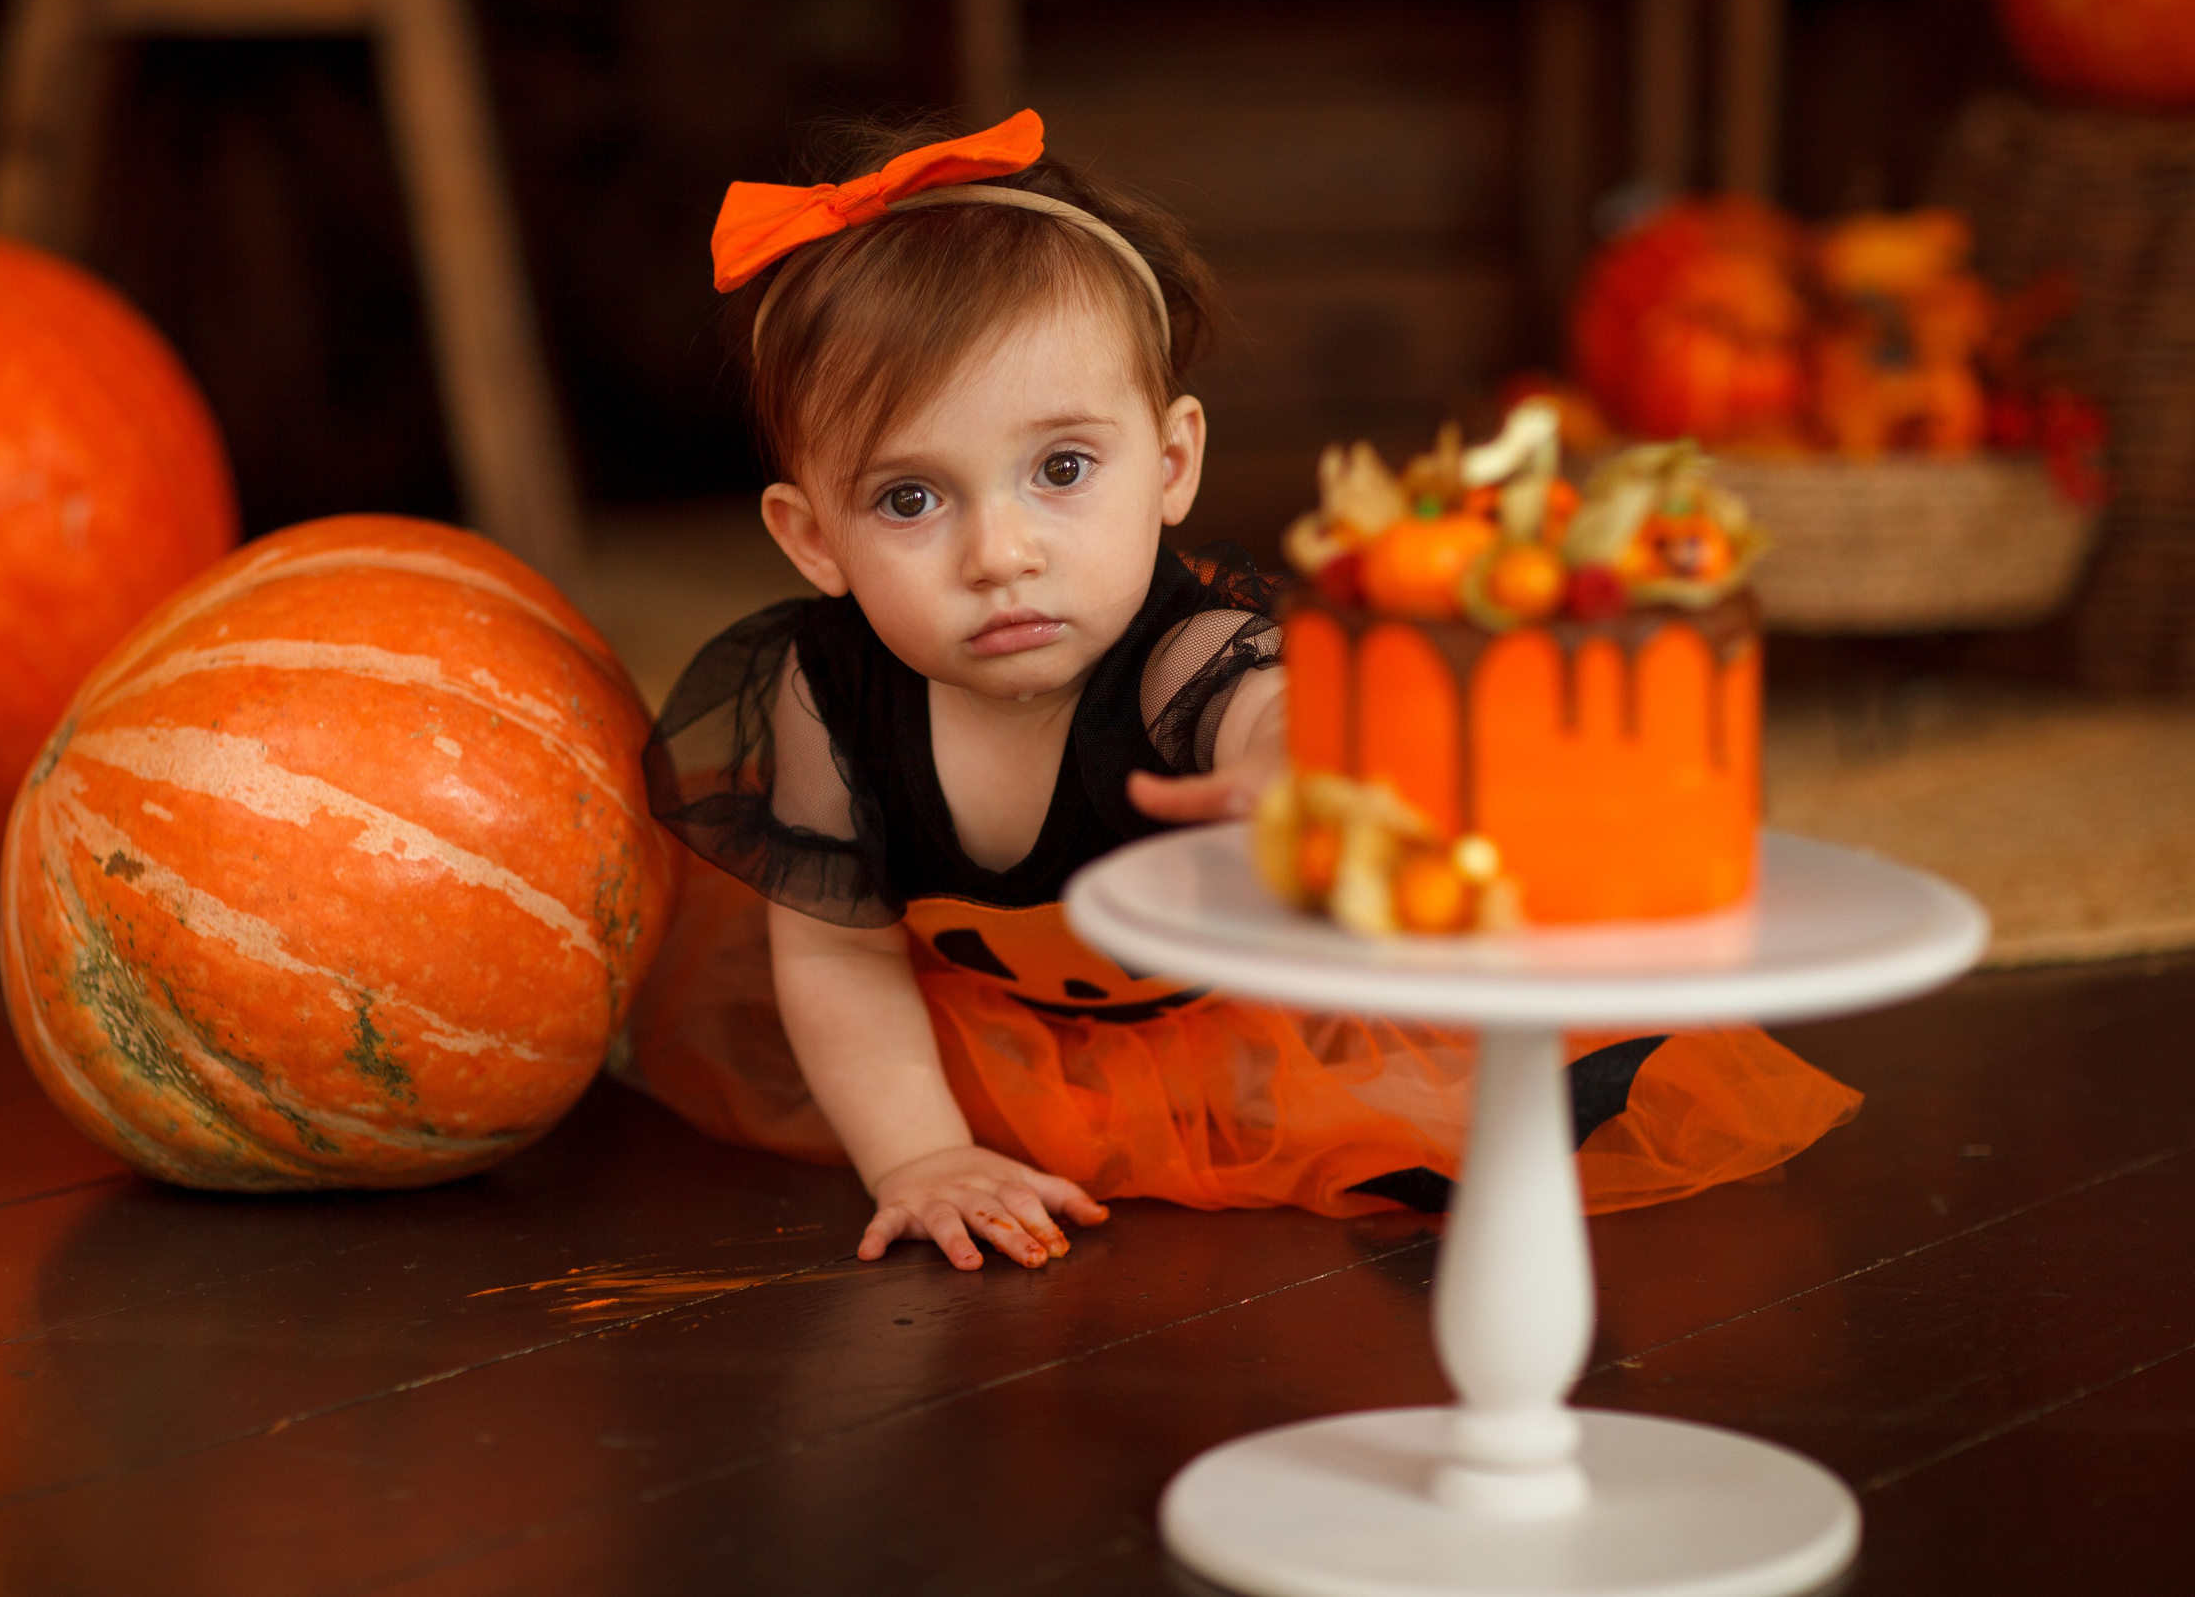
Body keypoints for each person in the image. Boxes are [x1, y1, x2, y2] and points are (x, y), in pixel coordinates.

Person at [618, 110, 1859, 1270]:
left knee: (1455, 1089)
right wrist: (922, 1152)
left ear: (1169, 464)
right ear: (811, 539)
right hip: (977, 1031)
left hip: (1227, 1023)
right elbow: (841, 964)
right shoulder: (823, 700)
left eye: (1059, 468)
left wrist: (1292, 769)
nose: (999, 554)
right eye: (909, 499)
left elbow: (1273, 707)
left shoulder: (1185, 653)